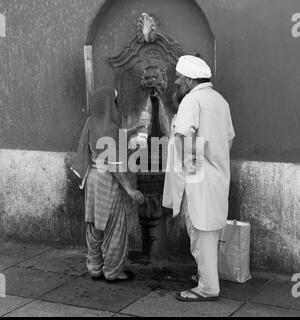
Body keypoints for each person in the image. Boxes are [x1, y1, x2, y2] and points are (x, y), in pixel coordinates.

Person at [163, 55, 235, 301]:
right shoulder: (220, 101)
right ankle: (206, 277)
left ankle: (208, 288)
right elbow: (229, 138)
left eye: (180, 78)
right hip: (216, 176)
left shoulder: (192, 100)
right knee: (209, 232)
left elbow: (182, 135)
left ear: (191, 80)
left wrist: (185, 169)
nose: (176, 82)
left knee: (199, 232)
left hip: (198, 178)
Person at [67, 86, 145, 282]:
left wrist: (132, 131)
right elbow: (114, 164)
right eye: (115, 101)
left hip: (93, 178)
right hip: (109, 181)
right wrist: (129, 189)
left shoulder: (92, 122)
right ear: (110, 104)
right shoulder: (111, 126)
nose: (117, 105)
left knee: (95, 225)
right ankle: (113, 270)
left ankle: (94, 267)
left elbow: (107, 141)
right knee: (115, 226)